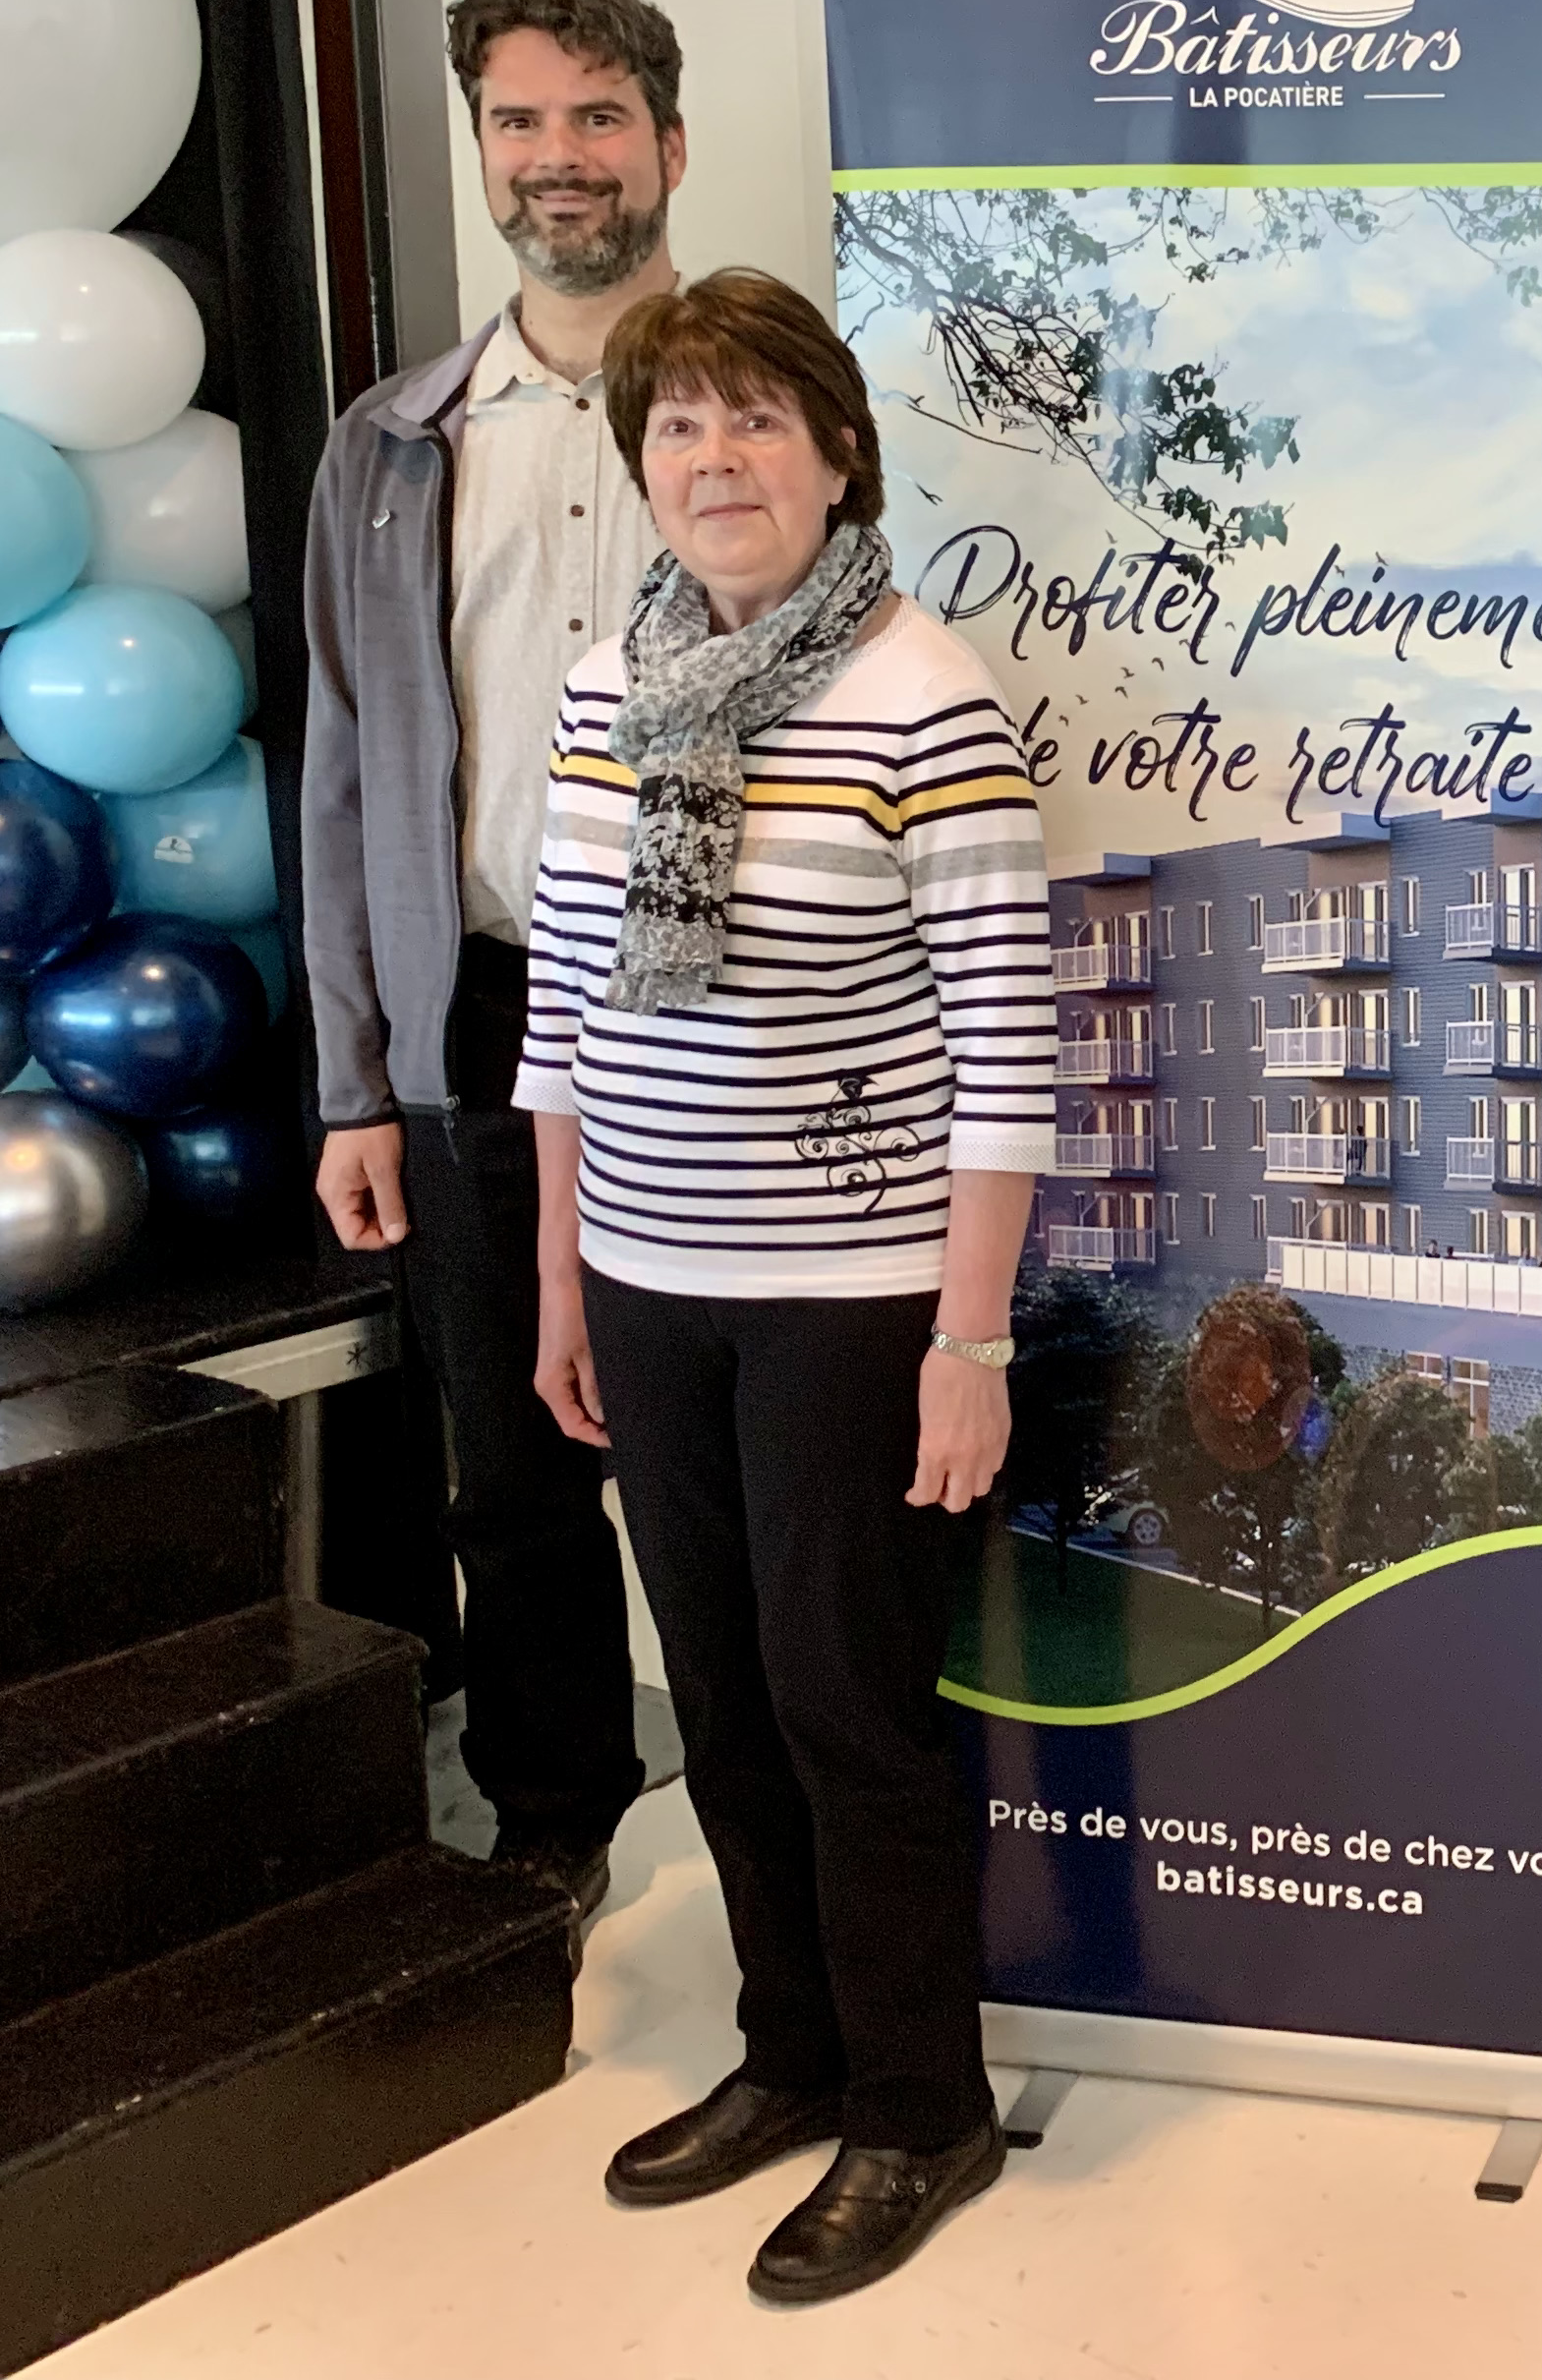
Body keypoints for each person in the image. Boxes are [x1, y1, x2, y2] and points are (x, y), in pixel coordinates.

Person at [512, 267, 1055, 2303]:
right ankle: (792, 2052)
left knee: (849, 1712)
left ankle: (921, 2108)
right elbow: (566, 1011)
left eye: (756, 419)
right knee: (721, 1702)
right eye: (678, 423)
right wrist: (562, 1278)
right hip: (649, 1280)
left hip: (853, 1300)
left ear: (838, 454)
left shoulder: (923, 694)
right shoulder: (608, 688)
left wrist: (969, 1339)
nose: (714, 457)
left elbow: (1005, 1045)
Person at [299, 0, 695, 1909]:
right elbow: (345, 770)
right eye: (519, 120)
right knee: (510, 1467)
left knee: (729, 1449)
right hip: (475, 1006)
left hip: (721, 1013)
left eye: (597, 116)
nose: (559, 156)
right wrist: (352, 1081)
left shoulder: (768, 413)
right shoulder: (392, 451)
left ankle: (783, 1829)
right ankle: (556, 1823)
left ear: (670, 144)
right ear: (479, 148)